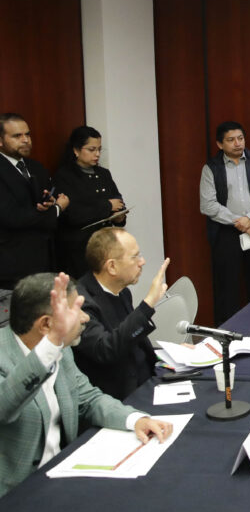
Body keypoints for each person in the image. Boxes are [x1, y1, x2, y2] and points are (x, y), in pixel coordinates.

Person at [0, 272, 172, 498]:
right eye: (76, 311)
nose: (85, 318)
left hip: (59, 476)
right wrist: (50, 345)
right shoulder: (23, 352)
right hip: (14, 496)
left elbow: (88, 398)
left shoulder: (63, 350)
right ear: (46, 324)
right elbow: (5, 405)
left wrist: (135, 419)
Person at [73, 228, 170, 400]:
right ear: (112, 266)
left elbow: (132, 342)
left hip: (149, 381)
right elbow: (105, 349)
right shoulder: (81, 301)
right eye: (135, 257)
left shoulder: (123, 292)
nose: (142, 262)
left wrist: (171, 354)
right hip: (120, 397)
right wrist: (148, 304)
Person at [199, 121, 250, 325]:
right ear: (220, 144)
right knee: (227, 289)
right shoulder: (211, 168)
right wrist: (240, 222)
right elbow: (208, 205)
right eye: (231, 140)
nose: (237, 143)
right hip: (226, 234)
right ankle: (227, 333)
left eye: (240, 138)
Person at [0, 113, 68, 289]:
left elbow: (43, 201)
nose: (25, 140)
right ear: (0, 141)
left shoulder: (36, 167)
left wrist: (50, 202)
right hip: (11, 268)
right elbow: (12, 217)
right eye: (17, 136)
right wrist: (57, 209)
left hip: (45, 262)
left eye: (27, 134)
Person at [53, 126, 127, 279]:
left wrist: (120, 216)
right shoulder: (64, 176)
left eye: (99, 149)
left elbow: (117, 200)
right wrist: (107, 206)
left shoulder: (104, 173)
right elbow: (72, 214)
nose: (97, 154)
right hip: (79, 249)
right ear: (76, 150)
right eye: (92, 149)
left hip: (106, 245)